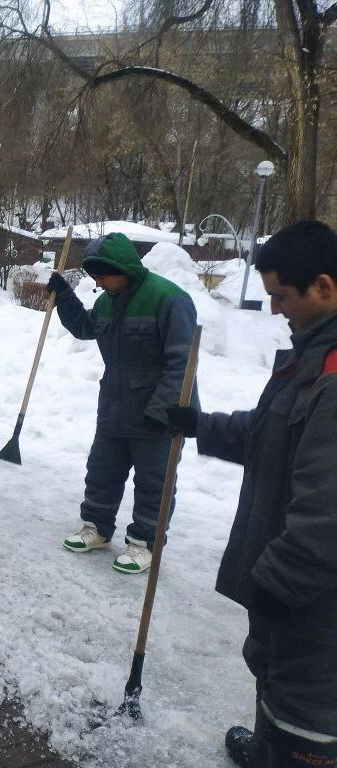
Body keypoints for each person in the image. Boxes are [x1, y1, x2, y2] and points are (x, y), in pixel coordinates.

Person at [166, 221, 337, 768]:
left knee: (307, 707)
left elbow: (327, 516)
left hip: (317, 600)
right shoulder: (312, 357)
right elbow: (274, 434)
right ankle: (269, 750)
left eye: (281, 296)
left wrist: (277, 586)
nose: (275, 309)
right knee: (274, 677)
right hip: (295, 587)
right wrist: (202, 426)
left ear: (324, 287)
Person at [45, 232, 198, 573]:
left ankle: (145, 543)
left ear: (122, 268)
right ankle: (97, 527)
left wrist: (163, 411)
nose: (98, 283)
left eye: (102, 276)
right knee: (103, 469)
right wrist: (64, 296)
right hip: (115, 403)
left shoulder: (168, 299)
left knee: (154, 482)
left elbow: (182, 364)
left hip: (159, 410)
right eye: (94, 277)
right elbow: (86, 327)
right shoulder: (107, 301)